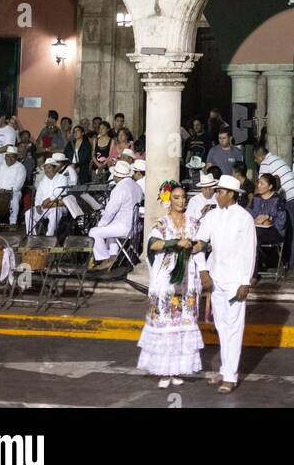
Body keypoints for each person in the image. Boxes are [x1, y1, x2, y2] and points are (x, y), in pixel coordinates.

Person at [192, 173, 257, 393]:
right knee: (221, 326)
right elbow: (199, 242)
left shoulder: (244, 218)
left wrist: (245, 281)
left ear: (231, 194)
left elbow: (250, 251)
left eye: (220, 191)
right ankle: (225, 368)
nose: (216, 195)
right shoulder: (212, 216)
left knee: (234, 327)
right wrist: (202, 271)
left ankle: (230, 375)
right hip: (216, 277)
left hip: (236, 280)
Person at [137, 182, 203, 387]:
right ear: (169, 200)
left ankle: (177, 369)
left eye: (183, 197)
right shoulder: (163, 224)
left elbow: (203, 242)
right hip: (166, 279)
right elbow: (152, 244)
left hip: (188, 279)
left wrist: (194, 246)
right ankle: (163, 371)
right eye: (176, 197)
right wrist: (174, 243)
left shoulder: (193, 222)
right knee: (166, 321)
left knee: (183, 321)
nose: (181, 201)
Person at [89, 161, 137, 268]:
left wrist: (100, 224)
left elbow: (111, 210)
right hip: (135, 227)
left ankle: (105, 259)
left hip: (125, 227)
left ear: (116, 175)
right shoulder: (136, 186)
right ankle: (113, 256)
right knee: (110, 230)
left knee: (93, 232)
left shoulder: (120, 188)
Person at [248, 173, 287, 262]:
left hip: (274, 232)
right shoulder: (256, 198)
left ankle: (254, 269)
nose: (258, 185)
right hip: (257, 229)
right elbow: (252, 213)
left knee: (255, 235)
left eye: (262, 184)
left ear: (270, 186)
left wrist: (268, 218)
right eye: (258, 183)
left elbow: (281, 222)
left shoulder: (278, 199)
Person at [0, 144, 27, 224]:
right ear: (5, 156)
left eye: (12, 157)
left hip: (13, 192)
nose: (10, 159)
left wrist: (6, 192)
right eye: (8, 156)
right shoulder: (0, 164)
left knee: (14, 200)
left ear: (16, 157)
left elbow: (18, 185)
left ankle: (12, 223)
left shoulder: (21, 167)